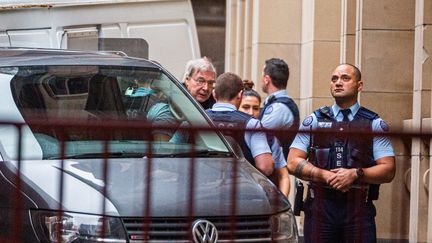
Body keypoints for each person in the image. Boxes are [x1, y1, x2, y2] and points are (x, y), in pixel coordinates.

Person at [287, 63, 396, 243]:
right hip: (320, 209)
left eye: (345, 78)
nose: (338, 83)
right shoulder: (314, 120)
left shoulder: (374, 123)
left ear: (359, 85)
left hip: (359, 211)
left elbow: (388, 169)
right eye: (334, 79)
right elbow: (292, 161)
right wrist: (325, 175)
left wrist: (355, 174)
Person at [206, 72, 280, 178]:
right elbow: (265, 167)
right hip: (239, 188)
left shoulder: (196, 118)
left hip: (200, 187)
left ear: (214, 94)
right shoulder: (251, 124)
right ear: (240, 95)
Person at [239, 87, 290, 196]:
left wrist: (282, 204)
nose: (251, 112)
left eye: (256, 108)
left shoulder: (270, 138)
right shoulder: (229, 134)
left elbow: (283, 176)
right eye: (246, 107)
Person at [260, 58, 299, 158]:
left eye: (262, 76)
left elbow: (257, 137)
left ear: (266, 80)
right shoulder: (279, 104)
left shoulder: (278, 108)